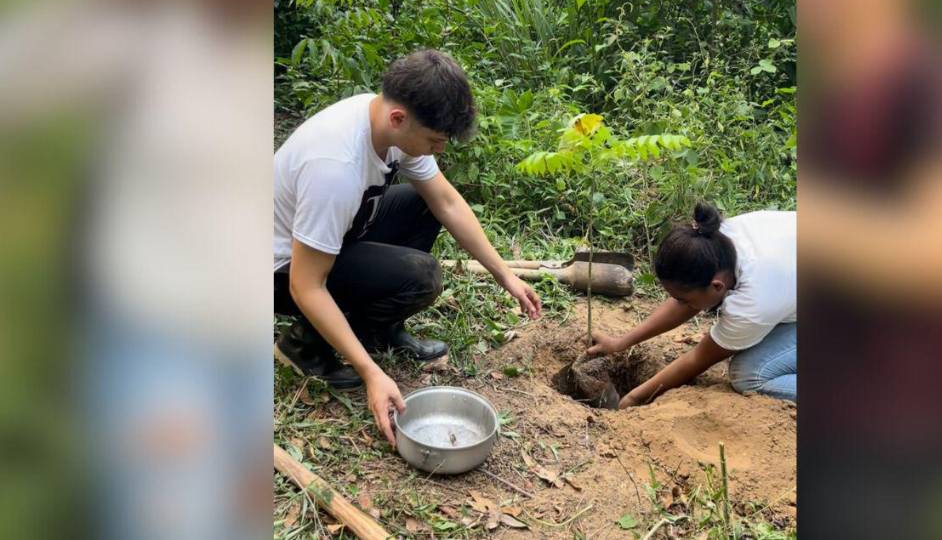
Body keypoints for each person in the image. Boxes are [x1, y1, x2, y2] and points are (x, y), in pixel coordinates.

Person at [273, 49, 542, 445]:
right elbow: (305, 285)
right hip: (278, 271)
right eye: (434, 140)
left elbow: (446, 201)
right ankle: (303, 345)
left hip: (334, 235)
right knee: (421, 276)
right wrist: (371, 374)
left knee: (422, 205)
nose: (440, 150)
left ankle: (378, 329)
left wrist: (505, 275)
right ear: (399, 119)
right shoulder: (335, 167)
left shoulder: (385, 121)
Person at [587, 202, 796, 407]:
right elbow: (687, 303)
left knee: (749, 375)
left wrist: (634, 398)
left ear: (716, 286)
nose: (680, 303)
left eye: (683, 298)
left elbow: (698, 358)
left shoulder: (752, 304)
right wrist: (619, 343)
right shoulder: (713, 240)